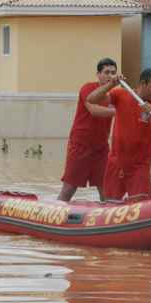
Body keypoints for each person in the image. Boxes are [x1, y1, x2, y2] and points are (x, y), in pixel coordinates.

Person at [87, 68, 151, 200]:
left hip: (139, 167)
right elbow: (92, 99)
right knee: (109, 204)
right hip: (116, 163)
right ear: (143, 83)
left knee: (141, 206)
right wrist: (110, 85)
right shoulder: (122, 95)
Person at [57, 58, 117, 202]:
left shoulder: (115, 95)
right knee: (69, 188)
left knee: (105, 187)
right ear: (98, 74)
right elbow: (93, 110)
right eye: (106, 72)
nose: (110, 76)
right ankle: (56, 214)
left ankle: (106, 219)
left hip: (101, 148)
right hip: (80, 145)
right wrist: (117, 112)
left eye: (113, 73)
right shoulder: (88, 88)